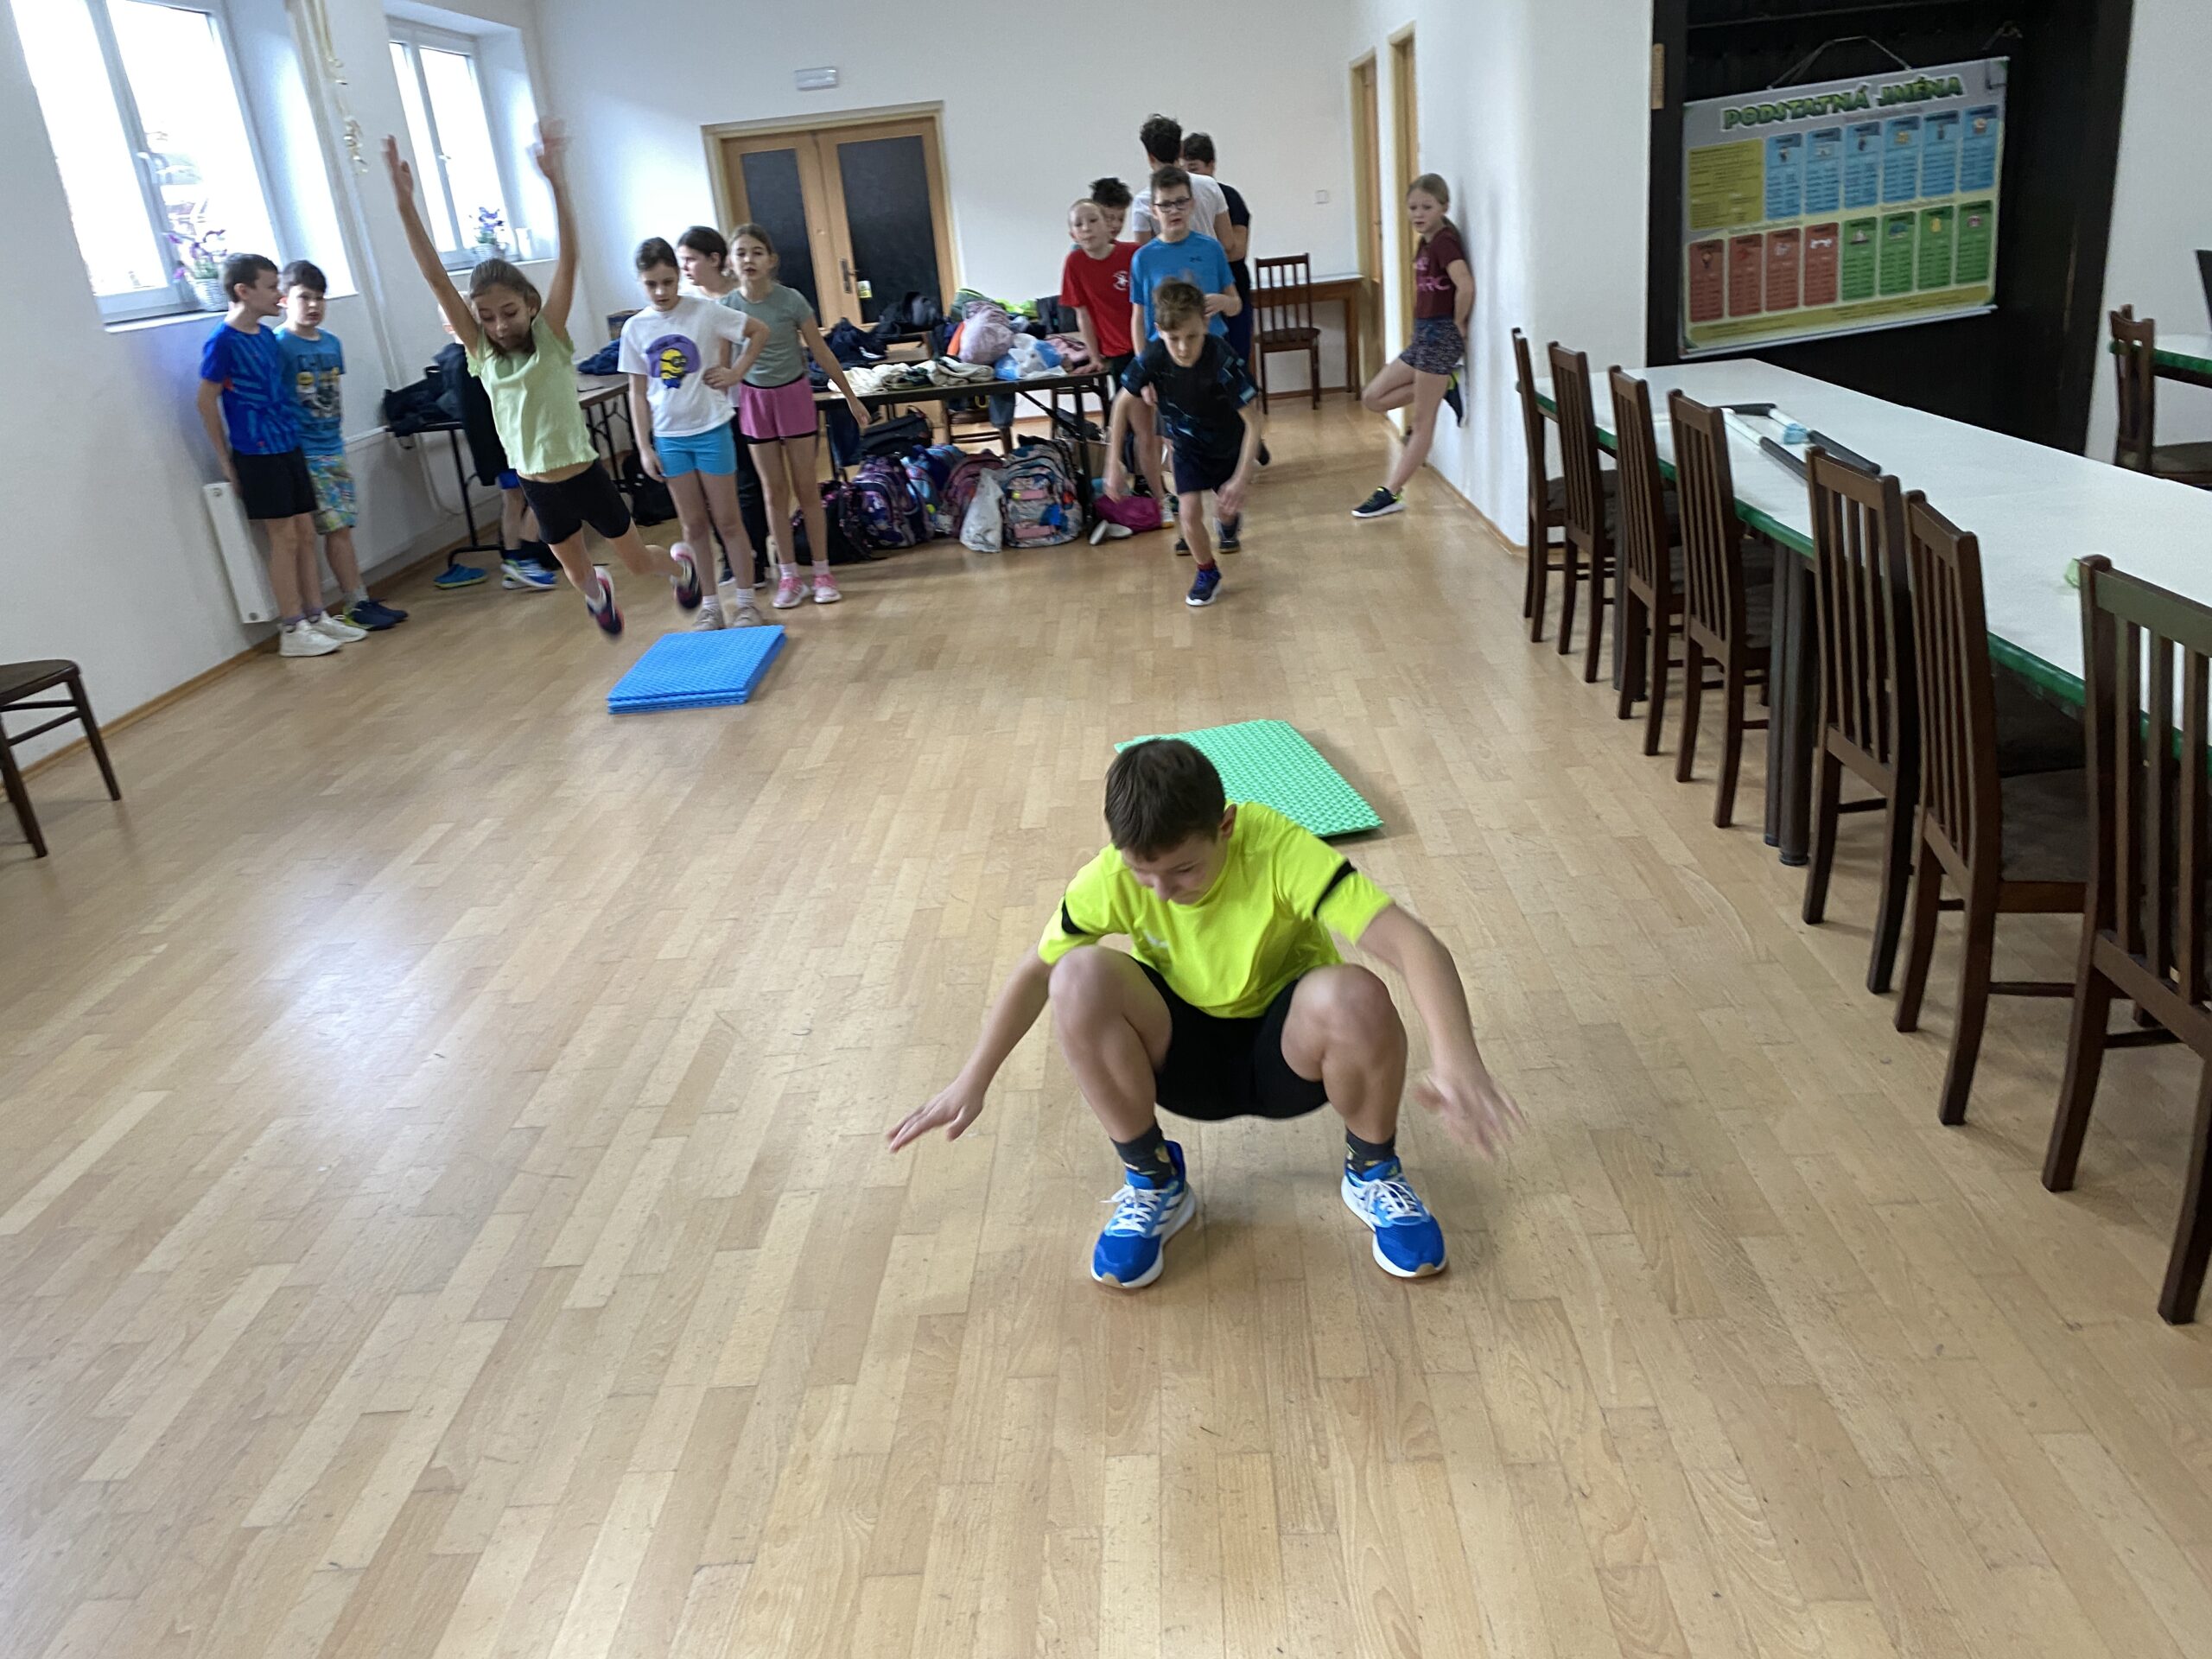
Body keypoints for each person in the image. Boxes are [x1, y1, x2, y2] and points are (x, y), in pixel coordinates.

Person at [887, 738, 1521, 1290]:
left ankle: (1373, 1170)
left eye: (1183, 870)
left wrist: (1458, 1059)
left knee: (1355, 994)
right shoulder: (1111, 876)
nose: (1163, 892)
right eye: (1144, 875)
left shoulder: (1274, 846)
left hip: (1290, 1056)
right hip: (1181, 1059)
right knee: (1076, 974)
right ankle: (1153, 1180)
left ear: (1225, 825)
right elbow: (1034, 972)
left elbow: (1413, 944)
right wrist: (973, 1078)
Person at [384, 125, 702, 637]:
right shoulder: (482, 354)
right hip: (536, 483)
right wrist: (405, 206)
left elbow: (569, 260)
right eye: (487, 317)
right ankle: (599, 593)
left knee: (639, 562)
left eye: (509, 312)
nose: (499, 325)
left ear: (529, 305)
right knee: (578, 575)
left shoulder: (549, 336)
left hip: (584, 474)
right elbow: (436, 279)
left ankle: (680, 567)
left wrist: (558, 184)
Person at [195, 252, 357, 658]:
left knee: (305, 534)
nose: (277, 295)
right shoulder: (222, 341)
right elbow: (206, 400)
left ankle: (316, 614)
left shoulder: (266, 337)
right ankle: (292, 626)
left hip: (290, 445)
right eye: (270, 288)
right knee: (283, 539)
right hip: (257, 452)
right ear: (243, 291)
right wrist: (226, 460)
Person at [709, 224, 872, 609]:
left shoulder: (791, 300)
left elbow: (822, 352)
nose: (749, 260)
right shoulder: (727, 307)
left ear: (771, 260)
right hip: (754, 402)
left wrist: (850, 397)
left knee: (805, 488)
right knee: (773, 492)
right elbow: (722, 365)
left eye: (756, 252)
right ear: (731, 262)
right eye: (741, 253)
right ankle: (788, 576)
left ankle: (822, 572)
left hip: (794, 396)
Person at [621, 237, 768, 630]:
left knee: (728, 520)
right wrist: (644, 447)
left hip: (711, 429)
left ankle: (747, 603)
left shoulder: (704, 311)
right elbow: (637, 392)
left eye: (668, 282)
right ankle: (710, 606)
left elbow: (758, 331)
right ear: (640, 282)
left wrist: (736, 373)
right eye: (651, 284)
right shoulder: (635, 328)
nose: (661, 292)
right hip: (670, 439)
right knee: (693, 525)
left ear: (678, 276)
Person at [1103, 279, 1262, 606]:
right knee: (1188, 514)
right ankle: (1207, 572)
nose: (1183, 348)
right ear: (1159, 331)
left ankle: (1229, 524)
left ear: (1205, 323)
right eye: (1173, 338)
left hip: (1229, 445)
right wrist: (1113, 462)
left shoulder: (1222, 358)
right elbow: (1121, 403)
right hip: (1187, 447)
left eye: (1192, 337)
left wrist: (1241, 477)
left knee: (1226, 511)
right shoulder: (1154, 356)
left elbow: (1254, 421)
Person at [275, 260, 406, 632]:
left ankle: (357, 599)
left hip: (332, 444)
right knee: (336, 528)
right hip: (304, 451)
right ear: (284, 300)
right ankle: (353, 603)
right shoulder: (279, 345)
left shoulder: (332, 343)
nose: (313, 305)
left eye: (319, 298)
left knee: (344, 524)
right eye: (304, 297)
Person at [1353, 174, 1473, 520]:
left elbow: (1465, 285)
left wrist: (1459, 323)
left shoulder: (1445, 242)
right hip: (1422, 335)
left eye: (1427, 207)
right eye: (1413, 208)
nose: (1418, 214)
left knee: (1422, 423)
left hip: (1440, 338)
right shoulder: (1425, 243)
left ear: (1444, 207)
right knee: (1373, 397)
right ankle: (1446, 386)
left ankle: (1391, 492)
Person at [674, 226, 778, 590]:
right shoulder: (688, 305)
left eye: (691, 259)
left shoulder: (736, 299)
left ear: (715, 259)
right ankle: (730, 559)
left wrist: (735, 373)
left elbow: (757, 343)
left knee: (748, 485)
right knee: (711, 493)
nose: (685, 268)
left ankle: (755, 557)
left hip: (744, 403)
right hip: (705, 412)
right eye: (682, 260)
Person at [435, 314, 557, 594]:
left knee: (516, 499)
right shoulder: (468, 363)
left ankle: (514, 560)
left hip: (503, 448)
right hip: (506, 447)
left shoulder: (471, 359)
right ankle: (525, 556)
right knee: (545, 492)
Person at [1130, 114, 1234, 250]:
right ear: (1181, 150)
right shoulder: (1209, 185)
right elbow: (1227, 243)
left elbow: (1144, 252)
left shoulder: (1143, 201)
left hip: (1168, 263)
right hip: (1207, 260)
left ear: (1150, 157)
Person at [1088, 176, 1134, 241]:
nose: (1116, 225)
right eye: (1109, 218)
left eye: (1121, 219)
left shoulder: (1132, 247)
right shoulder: (1081, 247)